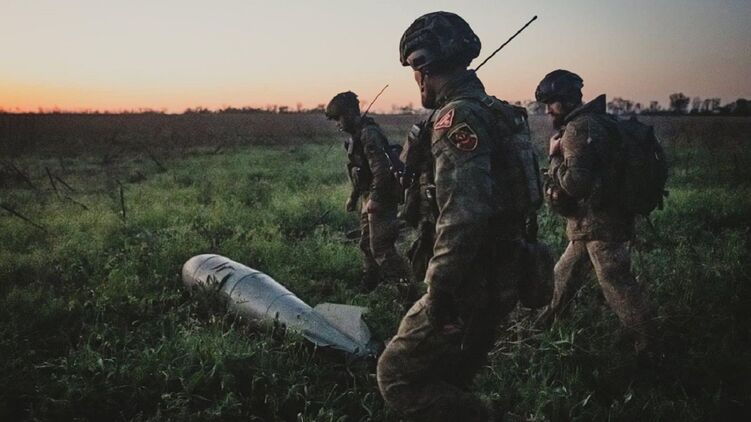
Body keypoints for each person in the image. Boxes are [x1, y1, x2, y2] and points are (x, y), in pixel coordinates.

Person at [377, 12, 533, 421]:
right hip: (502, 270)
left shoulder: (457, 118)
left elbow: (464, 215)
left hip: (469, 281)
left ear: (423, 66)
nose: (416, 80)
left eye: (414, 69)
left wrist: (439, 291)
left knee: (397, 377)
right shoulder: (496, 112)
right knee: (452, 376)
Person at [535, 69, 654, 355]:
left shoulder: (578, 129)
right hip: (594, 222)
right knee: (564, 273)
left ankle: (649, 346)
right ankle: (542, 327)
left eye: (551, 103)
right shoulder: (599, 121)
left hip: (600, 223)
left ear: (566, 100)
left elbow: (575, 184)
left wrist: (554, 156)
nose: (548, 110)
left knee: (616, 281)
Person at [325, 92, 410, 291]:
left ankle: (407, 291)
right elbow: (360, 172)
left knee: (381, 247)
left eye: (339, 118)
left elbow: (381, 170)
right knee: (366, 244)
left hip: (380, 196)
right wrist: (353, 198)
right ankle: (370, 284)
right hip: (369, 195)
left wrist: (375, 199)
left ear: (350, 113)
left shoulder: (369, 134)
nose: (337, 124)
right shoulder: (357, 136)